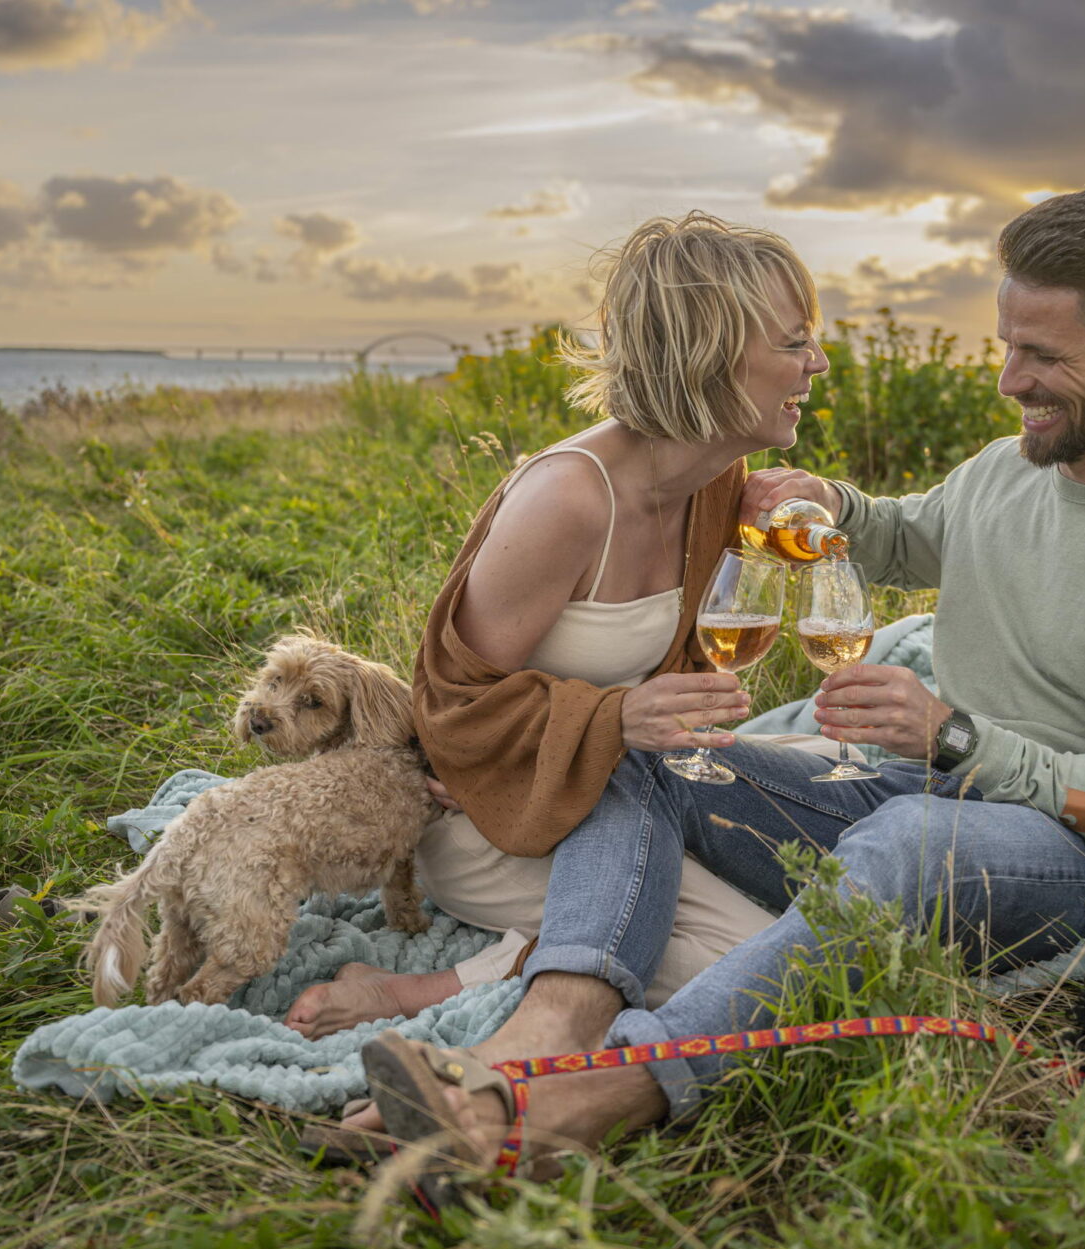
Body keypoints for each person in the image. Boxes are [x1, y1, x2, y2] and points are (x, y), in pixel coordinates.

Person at [357, 182, 1085, 1175]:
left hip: (1067, 863)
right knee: (649, 760)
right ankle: (534, 1042)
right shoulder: (1006, 470)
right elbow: (902, 532)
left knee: (903, 840)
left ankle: (608, 1094)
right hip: (913, 783)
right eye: (1007, 344)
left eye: (1045, 356)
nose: (1009, 380)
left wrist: (957, 736)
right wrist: (826, 498)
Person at [283, 210, 842, 1040]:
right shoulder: (571, 498)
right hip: (501, 815)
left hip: (631, 790)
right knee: (774, 965)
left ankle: (580, 940)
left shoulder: (720, 480)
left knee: (848, 796)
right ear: (711, 355)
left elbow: (694, 669)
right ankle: (419, 989)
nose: (818, 362)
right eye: (794, 343)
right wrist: (615, 719)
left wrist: (799, 521)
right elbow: (451, 712)